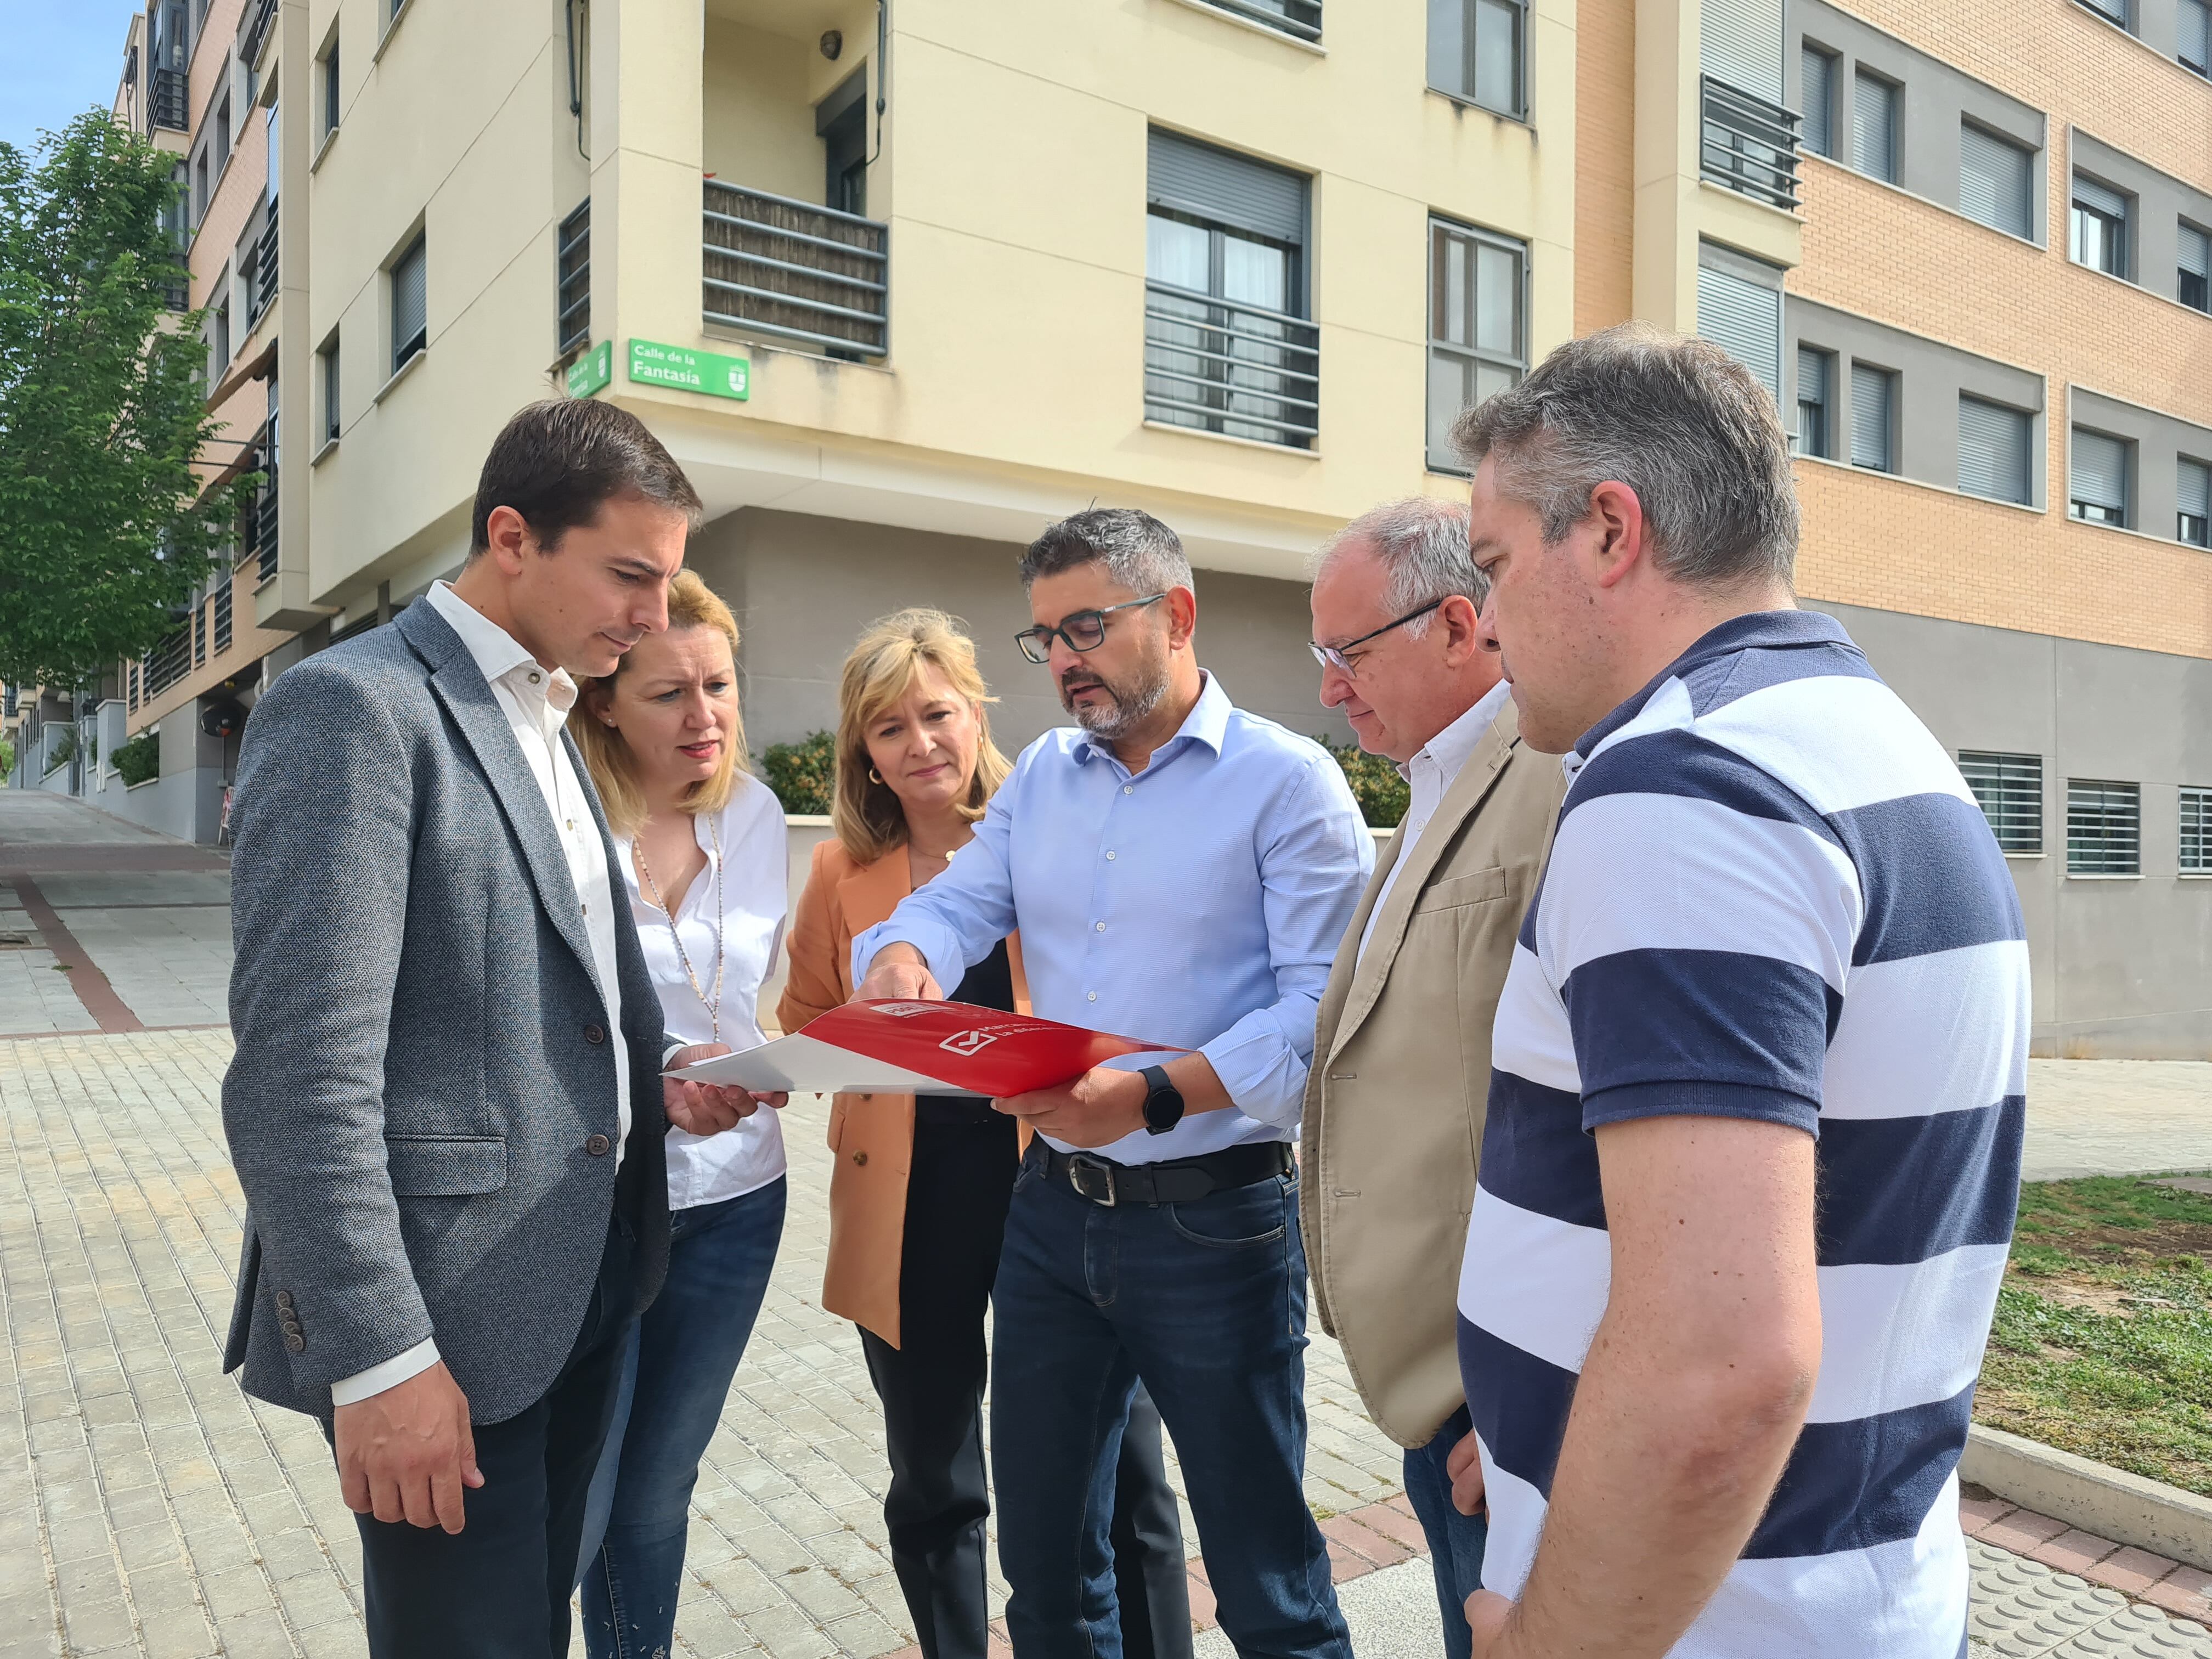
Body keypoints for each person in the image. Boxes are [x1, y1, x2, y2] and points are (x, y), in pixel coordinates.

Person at [1443, 324, 2028, 1658]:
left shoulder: (1688, 791)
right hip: (1833, 1576)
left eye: (1493, 564)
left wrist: (1551, 1641)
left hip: (1705, 1616)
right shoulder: (1875, 746)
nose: (1482, 619)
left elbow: (1721, 1367)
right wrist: (1543, 1431)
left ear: (1607, 529)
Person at [219, 400, 766, 1659]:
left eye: (669, 580)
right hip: (446, 1332)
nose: (651, 614)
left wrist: (662, 1068)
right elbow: (300, 1080)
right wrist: (377, 1359)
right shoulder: (354, 710)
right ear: (512, 536)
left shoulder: (549, 717)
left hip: (587, 1291)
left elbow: (552, 988)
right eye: (631, 575)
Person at [850, 511, 1372, 1659]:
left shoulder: (1290, 785)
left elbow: (1319, 1016)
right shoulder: (1043, 775)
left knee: (1266, 1589)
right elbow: (956, 899)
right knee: (1046, 1585)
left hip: (1215, 1226)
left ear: (1176, 616)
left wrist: (1149, 1096)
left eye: (1087, 625)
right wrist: (903, 956)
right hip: (1051, 1222)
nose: (1065, 658)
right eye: (1046, 638)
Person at [779, 608, 1190, 1659]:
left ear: (976, 715)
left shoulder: (1055, 831)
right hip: (907, 1201)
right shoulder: (839, 873)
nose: (919, 745)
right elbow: (808, 1018)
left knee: (1127, 1468)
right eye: (888, 729)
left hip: (1059, 1180)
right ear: (861, 753)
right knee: (933, 1472)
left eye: (937, 714)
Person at [1299, 498, 1565, 1659]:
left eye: (1349, 654)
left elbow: (1591, 1120)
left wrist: (1554, 1410)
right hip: (1451, 1393)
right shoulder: (1432, 783)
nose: (1328, 689)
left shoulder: (1553, 777)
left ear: (1460, 626)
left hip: (1509, 1402)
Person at [567, 571, 792, 1657]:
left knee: (657, 1491)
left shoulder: (754, 814)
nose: (705, 716)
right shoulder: (561, 818)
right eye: (669, 694)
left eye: (720, 686)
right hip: (603, 1204)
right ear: (607, 700)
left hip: (743, 1201)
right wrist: (654, 1079)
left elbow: (750, 1001)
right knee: (579, 1500)